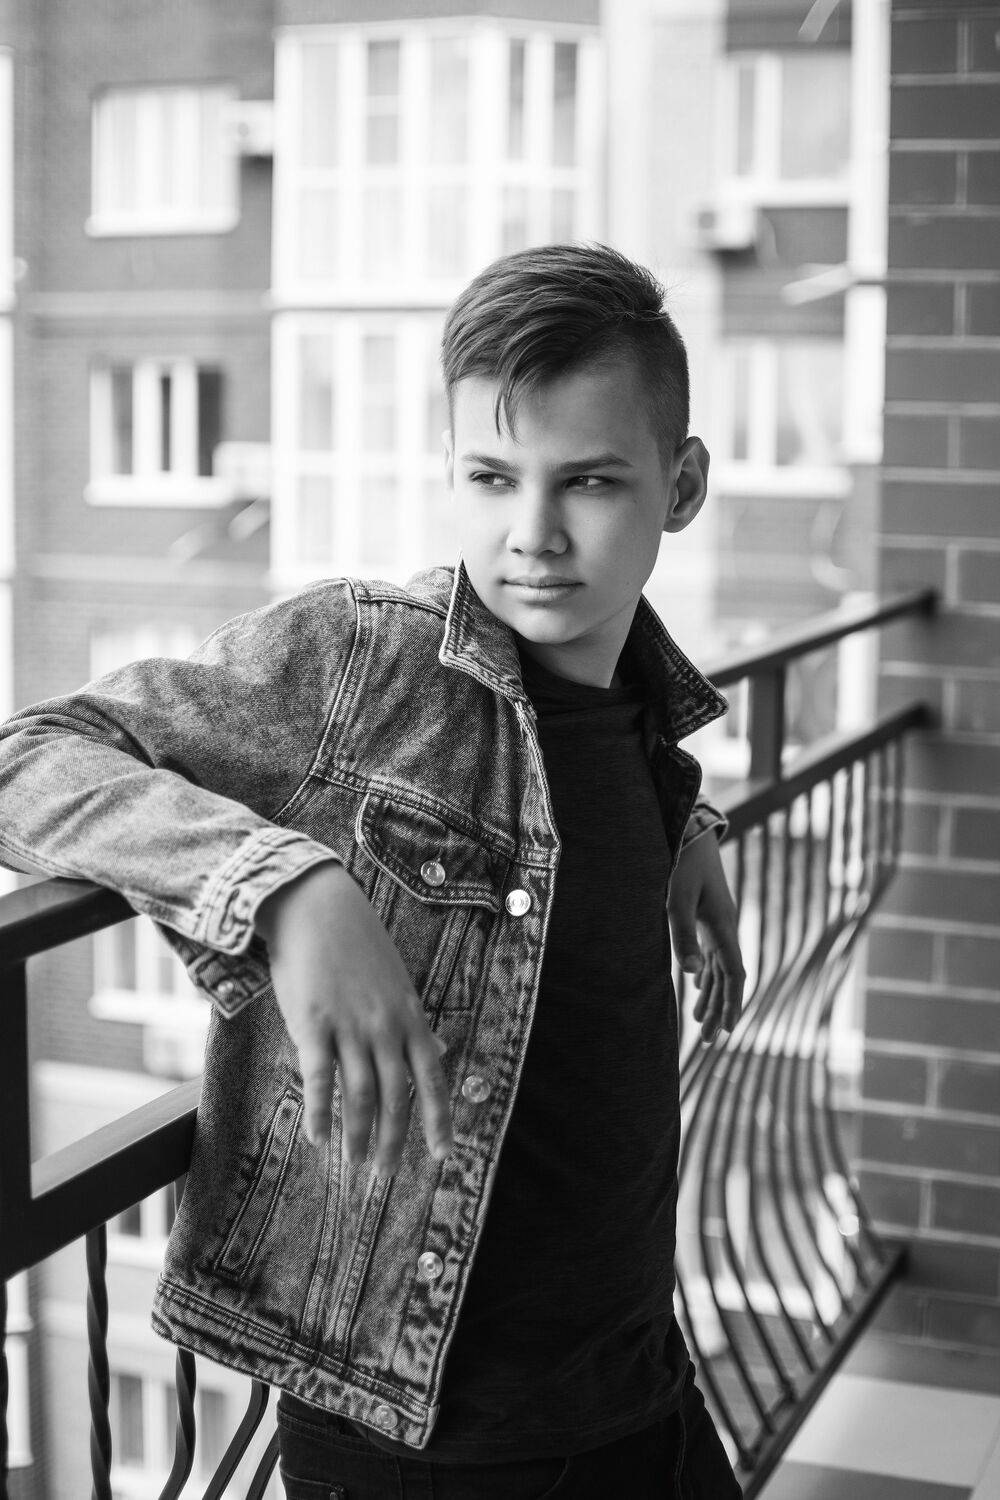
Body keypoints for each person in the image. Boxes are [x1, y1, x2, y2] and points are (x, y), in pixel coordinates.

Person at [0, 243, 745, 1499]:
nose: (533, 535)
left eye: (589, 481)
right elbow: (28, 756)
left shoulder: (636, 705)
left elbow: (552, 806)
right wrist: (285, 886)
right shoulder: (366, 663)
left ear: (680, 487)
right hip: (421, 1443)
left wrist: (685, 825)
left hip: (638, 1386)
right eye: (491, 477)